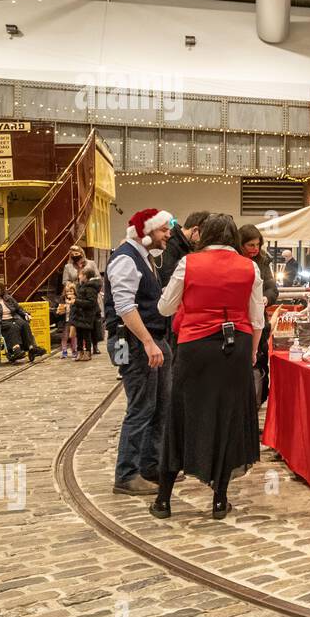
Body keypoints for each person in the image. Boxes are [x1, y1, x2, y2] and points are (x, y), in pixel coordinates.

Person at [152, 213, 264, 521]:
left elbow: (165, 307)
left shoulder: (189, 264)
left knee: (182, 416)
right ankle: (219, 500)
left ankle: (163, 500)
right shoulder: (250, 267)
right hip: (236, 347)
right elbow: (257, 320)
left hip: (195, 347)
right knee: (227, 418)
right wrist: (252, 352)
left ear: (205, 236)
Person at [104, 208, 174, 496]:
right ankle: (127, 473)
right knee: (141, 409)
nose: (168, 235)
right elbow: (124, 307)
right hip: (134, 344)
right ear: (145, 233)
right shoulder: (125, 258)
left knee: (159, 408)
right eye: (162, 230)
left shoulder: (144, 259)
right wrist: (147, 342)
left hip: (152, 341)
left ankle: (150, 467)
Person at [239, 223, 278, 406]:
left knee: (260, 369)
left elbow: (272, 287)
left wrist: (266, 298)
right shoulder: (236, 261)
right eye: (251, 245)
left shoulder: (263, 261)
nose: (255, 249)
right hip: (241, 321)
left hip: (259, 322)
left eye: (257, 245)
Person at [0, 280, 46, 363]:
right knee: (12, 326)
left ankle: (32, 347)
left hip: (12, 319)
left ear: (2, 290)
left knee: (24, 323)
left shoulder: (8, 298)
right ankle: (15, 349)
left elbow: (18, 308)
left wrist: (25, 314)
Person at [159, 211, 207, 288]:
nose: (202, 241)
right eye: (203, 236)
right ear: (195, 230)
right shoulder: (171, 244)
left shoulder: (184, 244)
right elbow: (166, 280)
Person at [70, 267, 103, 363]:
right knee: (79, 334)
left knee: (86, 334)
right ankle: (80, 352)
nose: (79, 276)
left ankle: (88, 352)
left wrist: (76, 301)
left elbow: (91, 302)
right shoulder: (81, 286)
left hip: (86, 315)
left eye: (80, 274)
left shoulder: (90, 287)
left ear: (85, 276)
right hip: (79, 314)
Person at [56, 282, 77, 359]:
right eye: (67, 291)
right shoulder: (62, 300)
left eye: (71, 291)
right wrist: (60, 310)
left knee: (73, 336)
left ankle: (74, 350)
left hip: (73, 321)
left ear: (74, 291)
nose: (69, 293)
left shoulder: (76, 299)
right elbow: (58, 311)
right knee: (64, 336)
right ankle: (64, 351)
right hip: (65, 321)